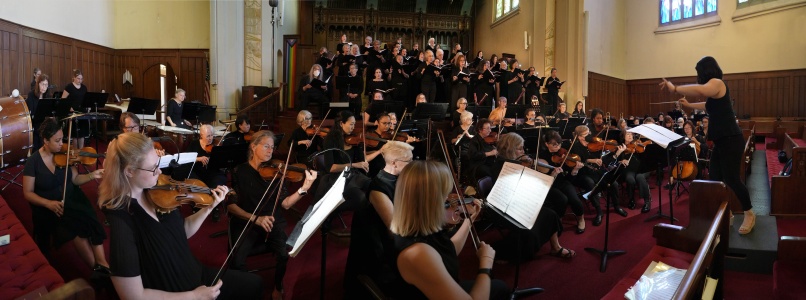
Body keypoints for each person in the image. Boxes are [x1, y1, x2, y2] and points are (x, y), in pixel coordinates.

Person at [100, 132, 261, 299]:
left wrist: (208, 207)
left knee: (254, 284)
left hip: (194, 272)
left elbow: (180, 231)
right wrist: (194, 296)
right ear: (129, 171)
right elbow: (133, 296)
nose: (160, 171)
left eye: (158, 164)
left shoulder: (157, 190)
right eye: (153, 167)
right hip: (175, 290)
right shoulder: (122, 221)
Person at [660, 56, 755, 234]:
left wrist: (675, 88)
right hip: (721, 142)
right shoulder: (714, 91)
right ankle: (727, 214)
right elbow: (707, 104)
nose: (698, 75)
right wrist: (689, 104)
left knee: (732, 179)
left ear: (705, 70)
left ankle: (749, 213)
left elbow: (702, 91)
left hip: (731, 140)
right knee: (715, 180)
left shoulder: (717, 83)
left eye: (698, 72)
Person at [391, 160, 509, 299]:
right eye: (445, 195)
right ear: (431, 201)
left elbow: (447, 250)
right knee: (499, 290)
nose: (450, 200)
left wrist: (470, 220)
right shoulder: (418, 254)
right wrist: (486, 263)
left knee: (500, 287)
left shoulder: (419, 226)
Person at [227, 130, 317, 300]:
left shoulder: (278, 173)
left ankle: (277, 285)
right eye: (266, 146)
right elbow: (230, 205)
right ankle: (245, 288)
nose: (270, 151)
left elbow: (286, 204)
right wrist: (255, 218)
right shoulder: (239, 171)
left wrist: (304, 188)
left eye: (273, 147)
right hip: (248, 220)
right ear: (253, 147)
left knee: (284, 254)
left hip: (272, 220)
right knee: (237, 261)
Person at [23, 117, 109, 276]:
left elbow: (75, 179)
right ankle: (96, 269)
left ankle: (103, 264)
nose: (61, 143)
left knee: (90, 218)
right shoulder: (33, 162)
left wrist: (92, 175)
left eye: (62, 138)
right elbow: (27, 193)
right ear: (45, 141)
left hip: (70, 196)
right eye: (57, 140)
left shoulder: (65, 153)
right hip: (49, 204)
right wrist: (48, 203)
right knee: (74, 226)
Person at [343, 141, 413, 298]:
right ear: (394, 163)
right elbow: (393, 229)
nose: (412, 164)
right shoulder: (378, 187)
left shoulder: (398, 177)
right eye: (408, 161)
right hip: (379, 248)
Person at [492, 133, 576, 258]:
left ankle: (555, 247)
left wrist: (549, 176)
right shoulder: (502, 165)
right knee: (549, 211)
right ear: (509, 149)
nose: (523, 152)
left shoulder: (517, 162)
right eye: (520, 148)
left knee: (554, 206)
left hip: (522, 198)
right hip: (509, 204)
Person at [616, 131, 652, 213]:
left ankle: (647, 201)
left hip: (641, 169)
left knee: (640, 177)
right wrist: (621, 161)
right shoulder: (620, 147)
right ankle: (631, 199)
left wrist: (643, 149)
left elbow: (646, 157)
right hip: (629, 170)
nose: (630, 136)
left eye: (631, 134)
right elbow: (615, 161)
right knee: (630, 179)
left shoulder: (637, 145)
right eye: (628, 134)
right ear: (623, 136)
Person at [61, 69, 90, 148]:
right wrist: (69, 107)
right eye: (78, 78)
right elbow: (63, 99)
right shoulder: (69, 87)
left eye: (81, 79)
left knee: (82, 134)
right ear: (73, 78)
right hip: (73, 113)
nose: (80, 80)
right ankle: (75, 152)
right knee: (75, 135)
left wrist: (88, 107)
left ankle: (81, 151)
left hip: (82, 113)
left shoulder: (84, 88)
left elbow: (86, 99)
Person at [27, 73, 50, 151]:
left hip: (44, 124)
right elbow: (31, 113)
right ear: (38, 84)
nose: (44, 87)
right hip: (35, 124)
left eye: (46, 85)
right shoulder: (31, 95)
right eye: (43, 84)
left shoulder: (47, 96)